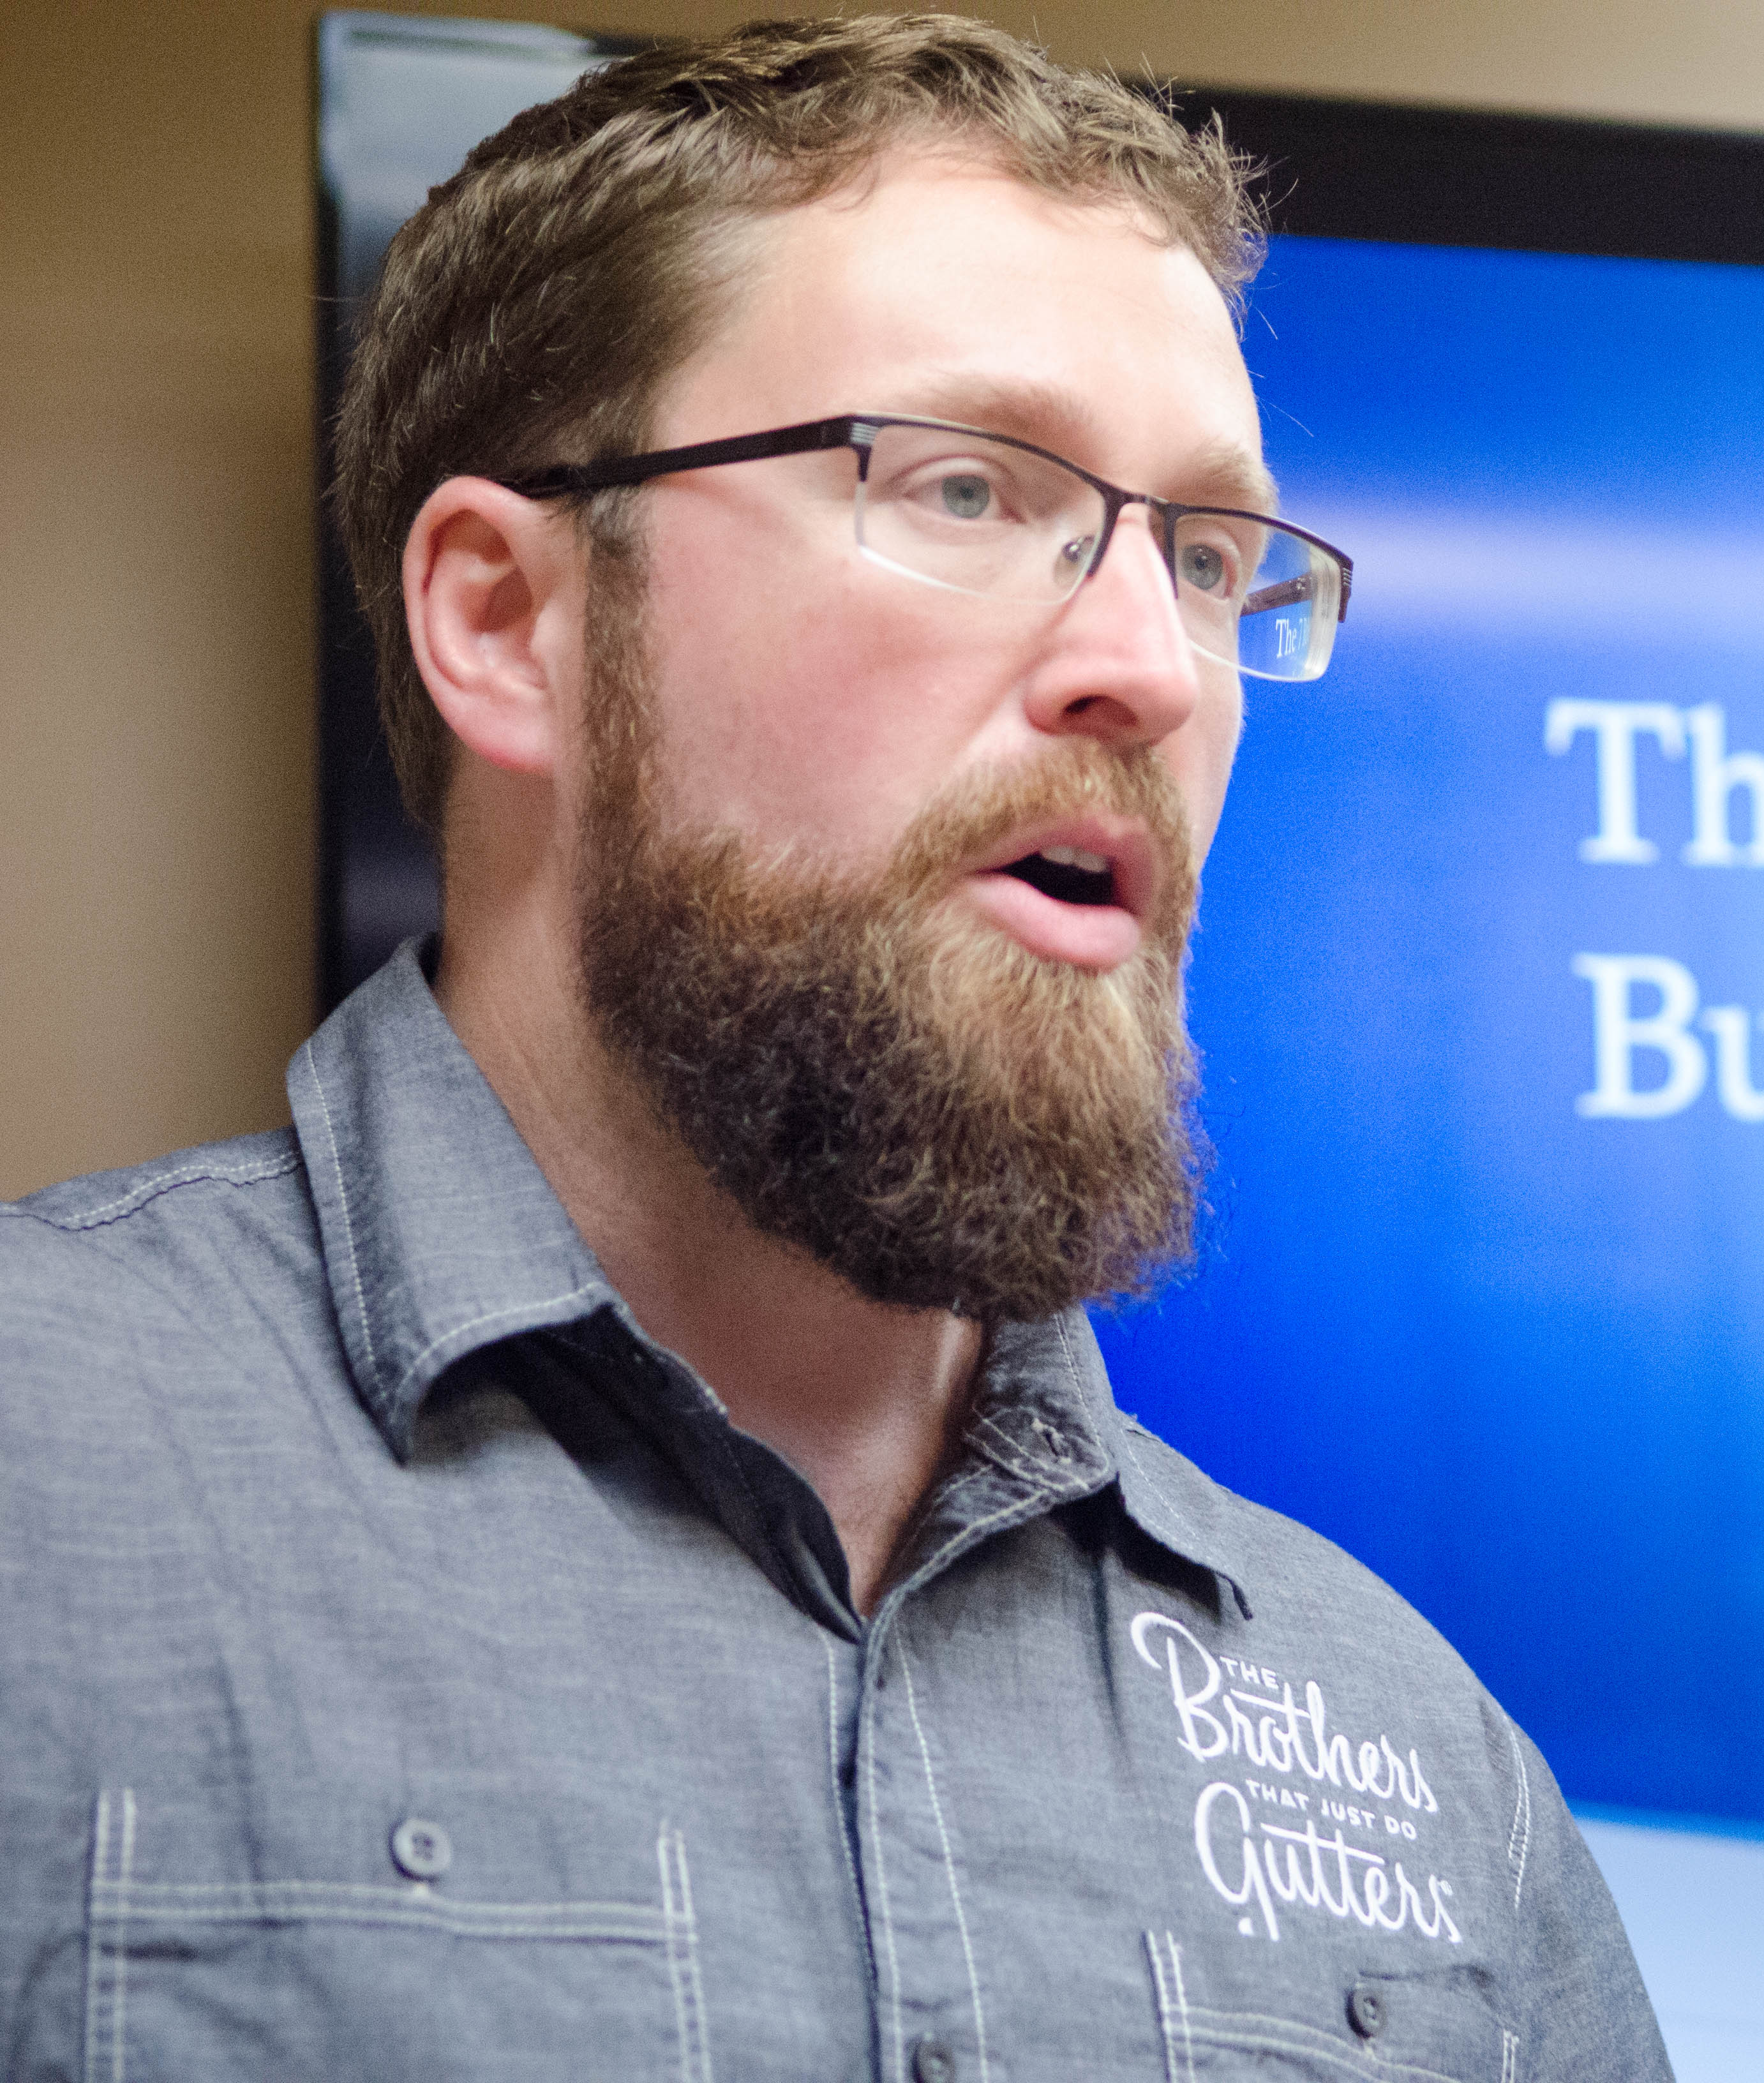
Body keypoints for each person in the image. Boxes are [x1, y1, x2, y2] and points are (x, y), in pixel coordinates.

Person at [0, 17, 1670, 2080]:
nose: (1152, 670)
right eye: (966, 488)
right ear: (506, 621)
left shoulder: (1430, 1779)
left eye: (1207, 560)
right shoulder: (45, 1481)